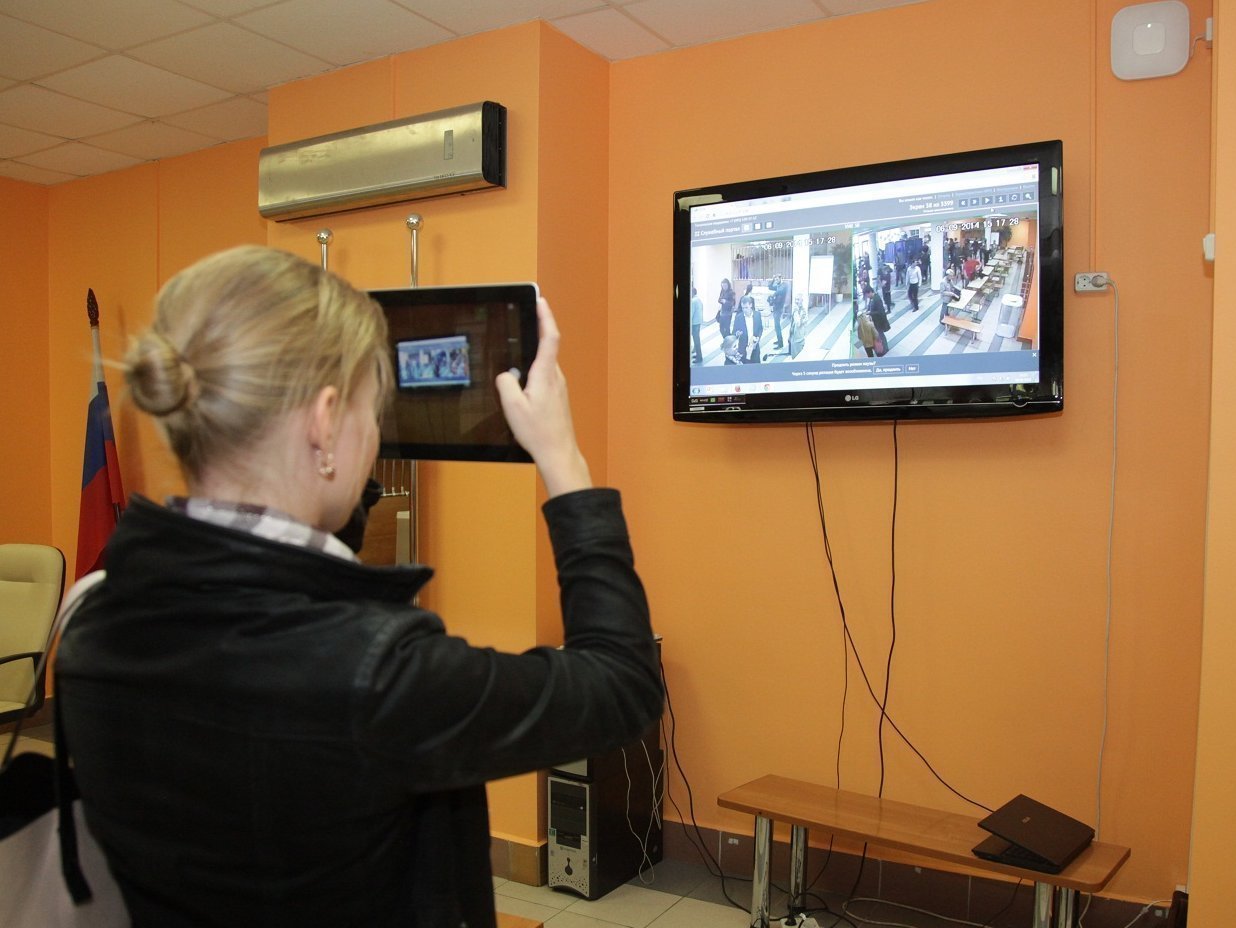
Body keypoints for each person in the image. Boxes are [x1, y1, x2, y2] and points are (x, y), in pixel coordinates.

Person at [54, 246, 662, 928]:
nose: (377, 434)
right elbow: (621, 686)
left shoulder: (92, 618)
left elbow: (289, 566)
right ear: (323, 420)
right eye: (373, 412)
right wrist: (563, 458)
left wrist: (332, 464)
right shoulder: (377, 674)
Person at [690, 284, 705, 363]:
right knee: (697, 339)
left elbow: (691, 313)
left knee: (696, 340)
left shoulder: (693, 301)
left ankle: (699, 357)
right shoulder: (698, 299)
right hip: (698, 322)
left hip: (694, 323)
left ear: (692, 293)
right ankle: (698, 354)